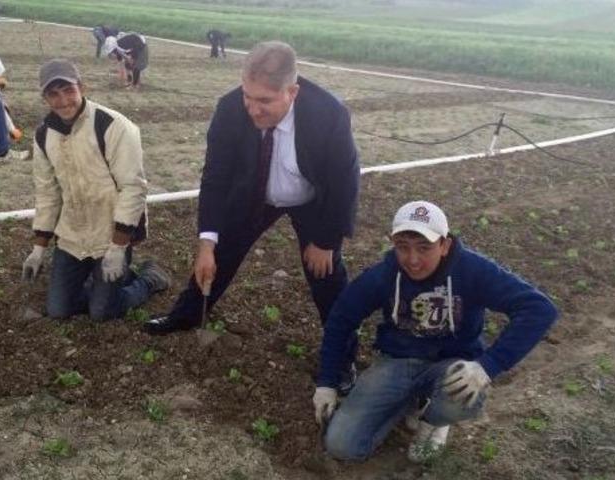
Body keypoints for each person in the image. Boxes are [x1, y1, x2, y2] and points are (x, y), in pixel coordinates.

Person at [143, 42, 360, 350]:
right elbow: (216, 178)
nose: (253, 108)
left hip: (311, 198)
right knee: (217, 255)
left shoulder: (328, 113)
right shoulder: (230, 108)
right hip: (255, 193)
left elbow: (344, 180)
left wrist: (327, 241)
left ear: (292, 92)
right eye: (248, 96)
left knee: (325, 273)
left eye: (264, 100)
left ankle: (343, 352)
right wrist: (207, 242)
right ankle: (186, 316)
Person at [313, 201, 558, 463]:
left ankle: (434, 421)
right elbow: (341, 319)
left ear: (445, 245)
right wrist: (327, 381)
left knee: (462, 398)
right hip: (397, 362)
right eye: (403, 247)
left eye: (424, 248)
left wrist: (489, 365)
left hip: (451, 365)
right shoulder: (385, 274)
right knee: (342, 445)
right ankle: (406, 401)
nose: (413, 260)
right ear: (393, 243)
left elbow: (539, 309)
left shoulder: (472, 270)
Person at [21, 59, 171, 321]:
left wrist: (117, 248)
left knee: (102, 312)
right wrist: (39, 249)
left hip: (110, 235)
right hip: (72, 235)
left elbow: (133, 188)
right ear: (45, 98)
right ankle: (111, 280)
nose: (63, 100)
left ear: (82, 87)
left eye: (68, 90)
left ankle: (148, 280)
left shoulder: (113, 126)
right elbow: (47, 193)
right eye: (53, 94)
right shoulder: (44, 135)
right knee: (58, 310)